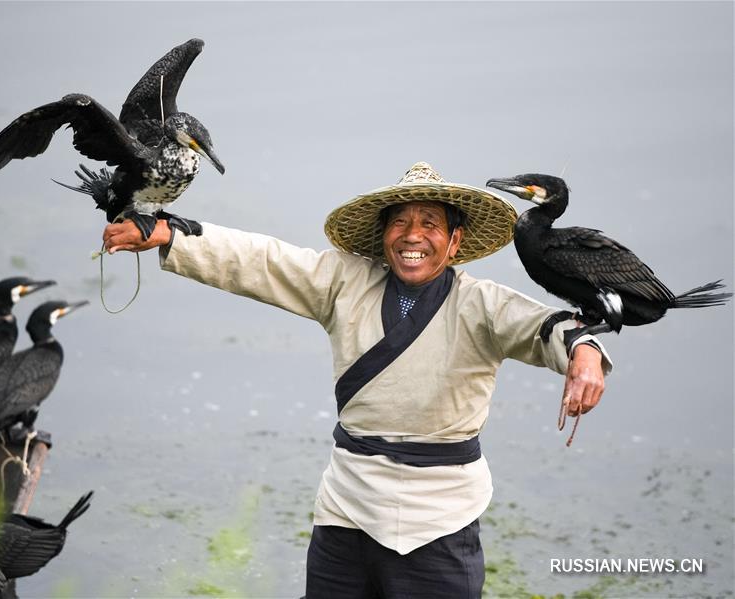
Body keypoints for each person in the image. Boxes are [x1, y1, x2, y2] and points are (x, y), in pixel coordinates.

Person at [102, 162, 610, 598]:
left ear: (455, 242)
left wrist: (583, 351)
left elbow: (547, 326)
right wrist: (170, 232)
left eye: (430, 224)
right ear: (382, 236)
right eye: (401, 223)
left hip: (439, 520)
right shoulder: (344, 281)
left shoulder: (483, 303)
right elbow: (263, 261)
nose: (413, 236)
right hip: (345, 510)